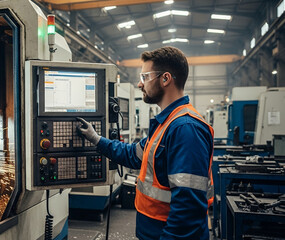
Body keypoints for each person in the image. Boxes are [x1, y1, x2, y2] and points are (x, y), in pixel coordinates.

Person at [77, 46, 214, 240]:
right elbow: (133, 155)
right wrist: (96, 139)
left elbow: (188, 208)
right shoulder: (166, 123)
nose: (140, 85)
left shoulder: (185, 128)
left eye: (145, 77)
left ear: (165, 79)